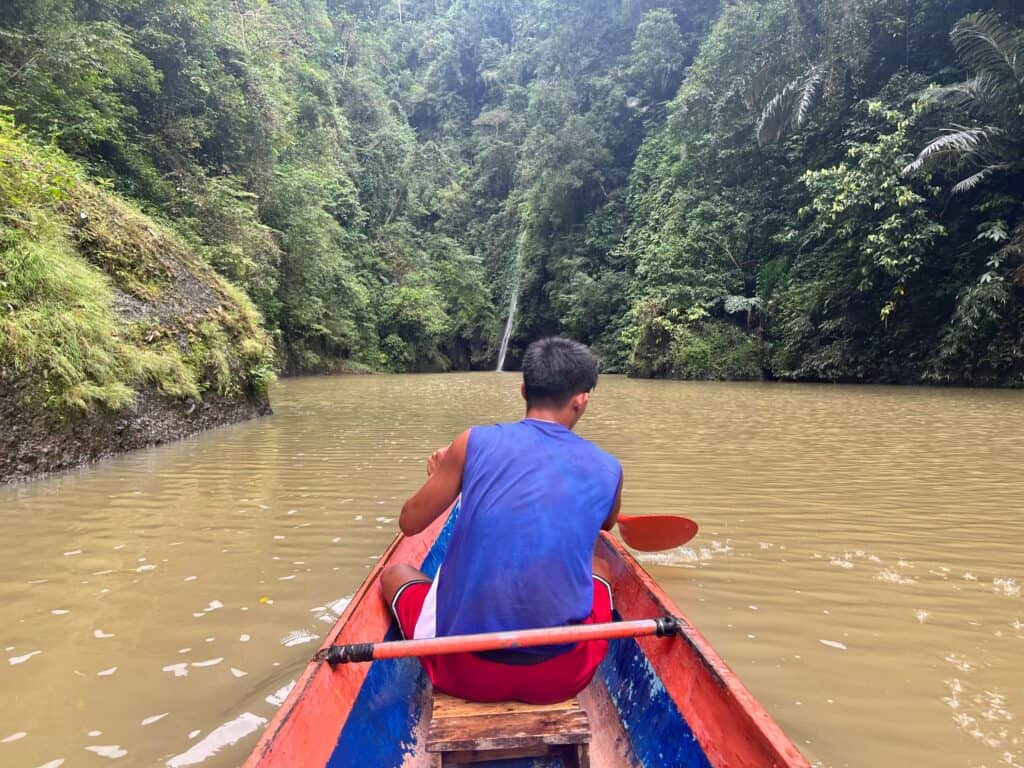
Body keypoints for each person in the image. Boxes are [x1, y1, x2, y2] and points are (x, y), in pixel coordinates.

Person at [380, 337, 623, 704]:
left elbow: (409, 523)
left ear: (524, 389)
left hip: (462, 673)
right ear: (582, 398)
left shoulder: (471, 443)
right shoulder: (609, 468)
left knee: (395, 574)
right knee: (601, 565)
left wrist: (441, 476)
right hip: (560, 679)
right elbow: (606, 524)